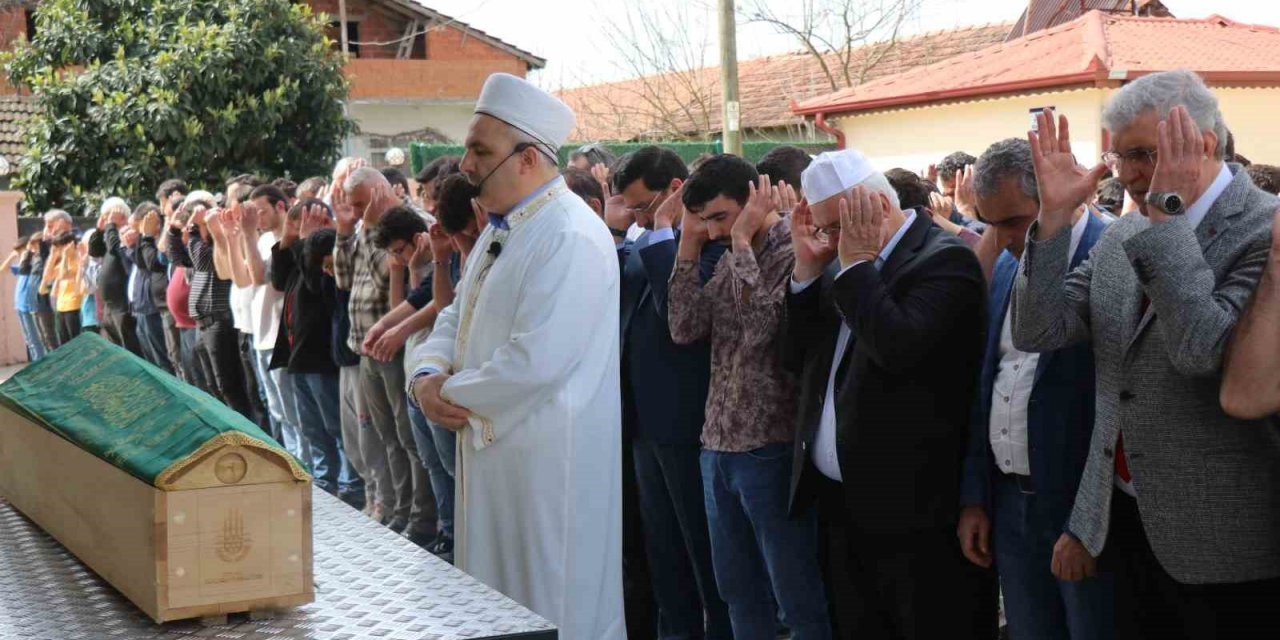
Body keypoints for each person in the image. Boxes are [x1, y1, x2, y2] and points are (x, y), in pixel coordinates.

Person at [1012, 70, 1280, 638]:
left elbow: (1199, 352)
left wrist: (1166, 219)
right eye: (1117, 158)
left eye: (1141, 154)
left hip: (1228, 547)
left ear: (1202, 143)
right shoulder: (1122, 234)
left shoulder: (1264, 231)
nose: (1129, 174)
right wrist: (1055, 221)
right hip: (1124, 524)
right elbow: (1040, 330)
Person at [409, 72, 624, 640]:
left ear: (527, 157)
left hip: (546, 467)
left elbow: (536, 361)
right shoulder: (502, 229)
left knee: (553, 606)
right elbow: (454, 316)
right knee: (496, 606)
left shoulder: (570, 234)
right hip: (495, 450)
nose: (466, 164)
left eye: (481, 150)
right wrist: (427, 373)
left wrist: (443, 395)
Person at [785, 150, 990, 640]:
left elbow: (898, 348)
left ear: (876, 204)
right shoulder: (843, 262)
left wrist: (854, 267)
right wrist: (807, 272)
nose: (831, 240)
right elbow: (796, 362)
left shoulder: (943, 260)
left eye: (836, 226)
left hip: (912, 508)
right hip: (842, 503)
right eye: (825, 230)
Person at [668, 154, 831, 640]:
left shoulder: (792, 248)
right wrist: (687, 249)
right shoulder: (729, 253)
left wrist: (740, 243)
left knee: (796, 595)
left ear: (753, 199)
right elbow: (684, 328)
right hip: (717, 446)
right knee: (738, 592)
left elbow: (763, 332)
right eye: (705, 221)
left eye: (721, 217)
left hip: (770, 448)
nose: (715, 231)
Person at [958, 138, 1115, 639]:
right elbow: (986, 386)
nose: (1000, 238)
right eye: (988, 223)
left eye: (1012, 222)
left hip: (1083, 513)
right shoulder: (1006, 266)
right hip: (1010, 507)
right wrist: (976, 498)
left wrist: (1087, 524)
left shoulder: (1113, 256)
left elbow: (1119, 408)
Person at [604, 144, 729, 640]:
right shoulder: (641, 242)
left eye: (641, 205)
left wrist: (659, 235)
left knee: (705, 557)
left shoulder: (712, 244)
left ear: (674, 192)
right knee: (663, 556)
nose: (634, 216)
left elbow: (678, 318)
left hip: (686, 424)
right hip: (643, 425)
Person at [335, 165, 435, 542]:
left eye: (361, 204)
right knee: (386, 436)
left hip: (397, 346)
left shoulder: (415, 227)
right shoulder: (365, 232)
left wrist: (391, 328)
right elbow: (344, 280)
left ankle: (421, 517)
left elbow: (423, 297)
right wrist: (346, 232)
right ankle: (396, 509)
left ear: (380, 192)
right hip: (367, 345)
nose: (358, 212)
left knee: (409, 437)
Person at [270, 197, 361, 505]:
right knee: (311, 426)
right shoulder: (298, 254)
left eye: (304, 223)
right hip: (298, 357)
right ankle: (325, 477)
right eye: (295, 223)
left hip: (323, 356)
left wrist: (309, 244)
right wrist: (288, 239)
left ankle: (350, 482)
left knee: (335, 425)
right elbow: (279, 280)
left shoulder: (329, 254)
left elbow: (315, 287)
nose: (299, 229)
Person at [366, 204, 444, 549]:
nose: (395, 257)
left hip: (435, 368)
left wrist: (392, 330)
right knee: (427, 456)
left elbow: (437, 305)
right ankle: (442, 527)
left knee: (438, 462)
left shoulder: (443, 257)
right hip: (415, 364)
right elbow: (406, 302)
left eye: (399, 250)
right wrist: (403, 268)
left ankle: (439, 526)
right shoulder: (416, 261)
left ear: (417, 238)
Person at [167, 192, 253, 419]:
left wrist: (197, 229)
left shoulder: (217, 243)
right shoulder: (198, 245)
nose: (189, 228)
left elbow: (204, 263)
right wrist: (174, 231)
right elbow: (177, 258)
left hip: (219, 321)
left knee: (228, 385)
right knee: (213, 386)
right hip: (203, 324)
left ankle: (246, 432)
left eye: (193, 224)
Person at [89, 199, 143, 355]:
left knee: (129, 349)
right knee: (113, 350)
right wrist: (100, 231)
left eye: (112, 217)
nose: (108, 221)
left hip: (122, 306)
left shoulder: (127, 236)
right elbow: (94, 251)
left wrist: (111, 225)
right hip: (109, 307)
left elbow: (114, 248)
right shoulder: (110, 236)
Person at [128, 203, 175, 374]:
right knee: (154, 361)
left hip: (156, 308)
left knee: (167, 361)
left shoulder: (163, 238)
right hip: (143, 308)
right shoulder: (146, 241)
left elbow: (152, 263)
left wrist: (146, 236)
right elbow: (141, 263)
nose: (135, 234)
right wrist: (141, 238)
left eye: (138, 229)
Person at [10, 235, 46, 361]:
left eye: (21, 251)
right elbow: (2, 269)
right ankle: (36, 363)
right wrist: (13, 256)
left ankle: (40, 363)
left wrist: (25, 255)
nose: (19, 254)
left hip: (28, 305)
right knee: (29, 339)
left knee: (35, 338)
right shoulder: (23, 266)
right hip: (20, 304)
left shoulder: (32, 263)